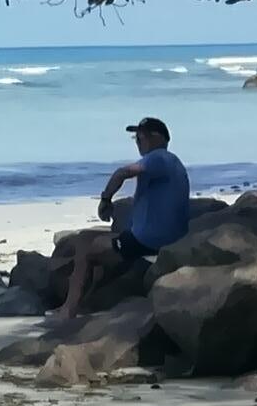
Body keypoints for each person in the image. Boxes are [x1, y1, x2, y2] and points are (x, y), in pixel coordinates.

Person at [54, 117, 192, 319]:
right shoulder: (170, 163)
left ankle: (69, 309)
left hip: (149, 241)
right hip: (158, 236)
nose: (137, 142)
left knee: (86, 251)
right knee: (86, 237)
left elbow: (123, 173)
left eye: (140, 137)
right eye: (135, 138)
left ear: (155, 138)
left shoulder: (159, 157)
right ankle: (84, 303)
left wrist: (105, 199)